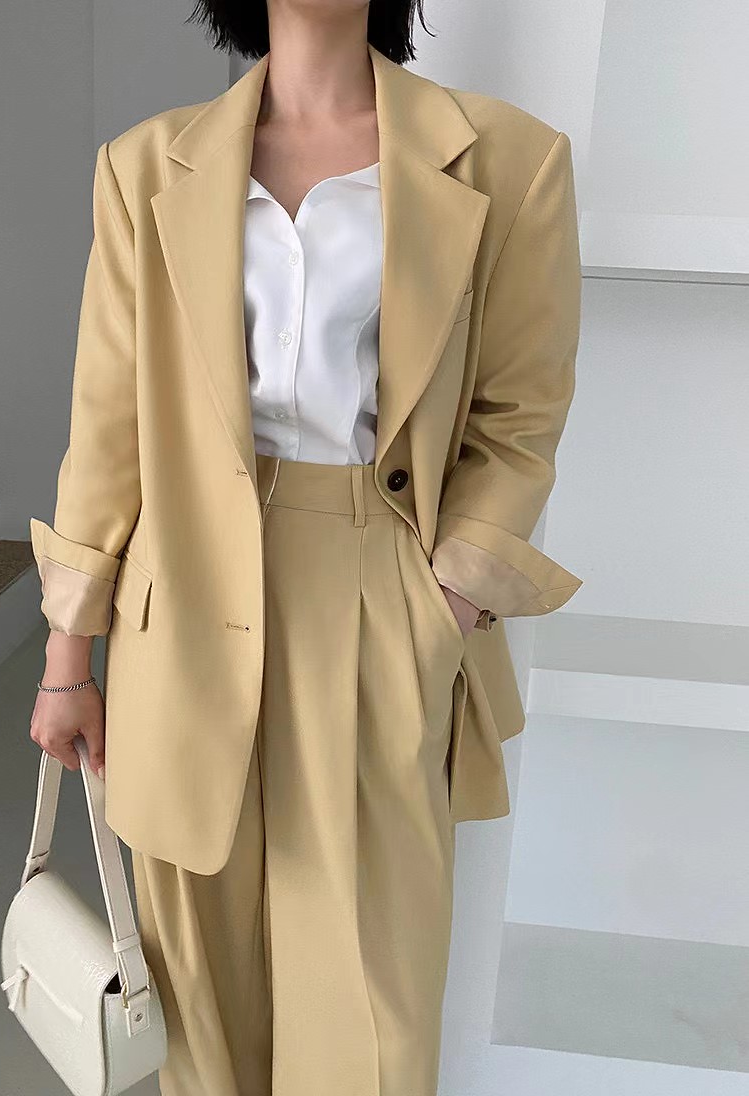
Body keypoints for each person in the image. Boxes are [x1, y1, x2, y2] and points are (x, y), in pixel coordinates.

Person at [28, 2, 583, 1093]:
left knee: (368, 1001)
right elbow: (109, 427)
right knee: (200, 995)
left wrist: (445, 600)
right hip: (179, 606)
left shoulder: (510, 161)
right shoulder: (145, 167)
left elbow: (518, 418)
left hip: (381, 591)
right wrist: (66, 658)